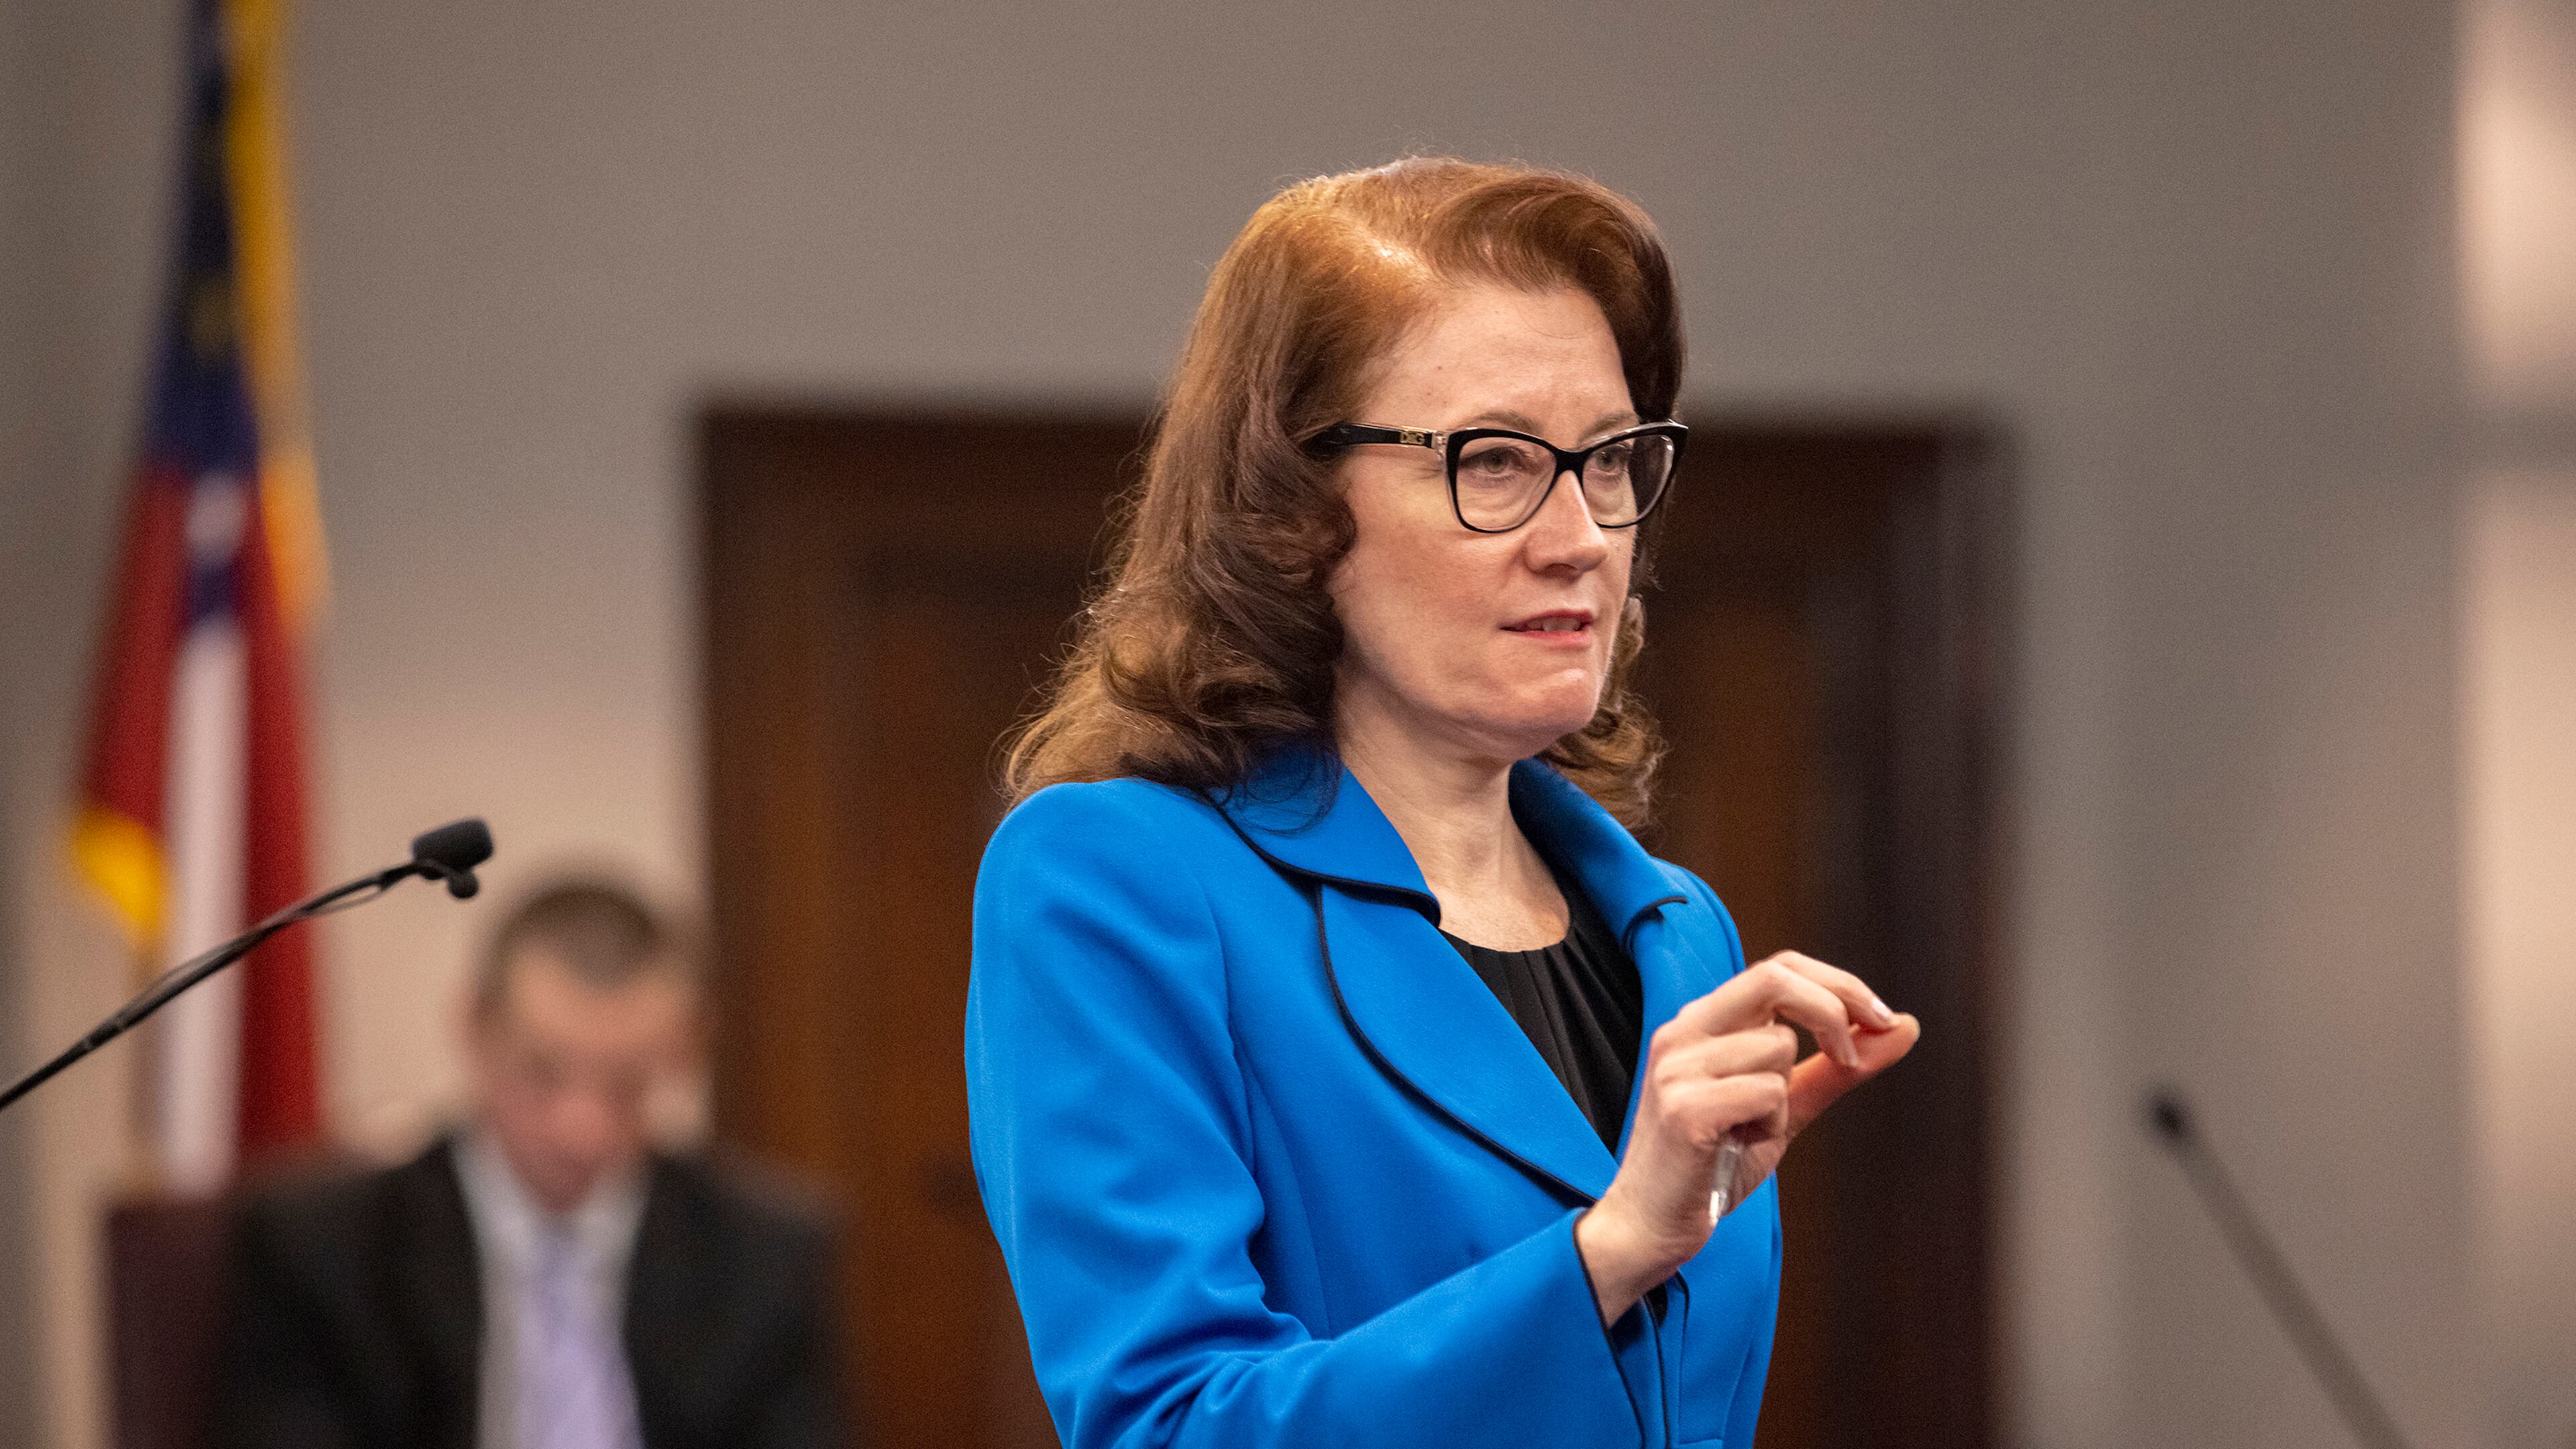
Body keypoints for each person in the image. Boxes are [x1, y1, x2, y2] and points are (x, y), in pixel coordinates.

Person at [965, 158, 1921, 1449]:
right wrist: (1606, 1255)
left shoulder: (1678, 930)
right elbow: (1168, 1427)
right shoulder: (1116, 879)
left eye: (1610, 459)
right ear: (1292, 513)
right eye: (1499, 460)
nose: (1581, 534)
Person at [219, 879, 845, 1449]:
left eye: (627, 1085)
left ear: (683, 1051)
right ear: (473, 1027)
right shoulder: (325, 1248)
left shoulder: (764, 1252)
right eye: (544, 1074)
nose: (582, 1130)